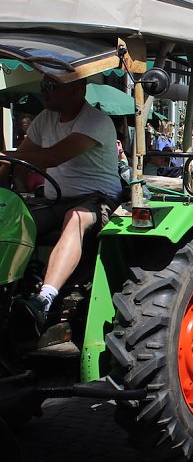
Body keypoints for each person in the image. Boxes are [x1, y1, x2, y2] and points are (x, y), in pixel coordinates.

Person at [0, 76, 122, 327]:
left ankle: (43, 300)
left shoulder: (95, 120)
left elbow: (52, 157)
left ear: (77, 89)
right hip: (55, 198)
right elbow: (21, 158)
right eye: (43, 85)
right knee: (13, 215)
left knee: (75, 218)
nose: (44, 90)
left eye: (51, 86)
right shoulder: (45, 118)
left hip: (97, 199)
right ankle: (11, 289)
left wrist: (4, 155)